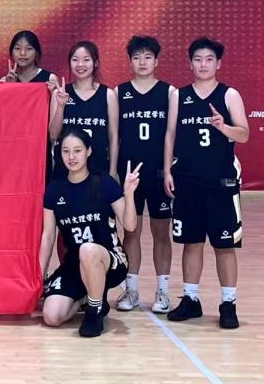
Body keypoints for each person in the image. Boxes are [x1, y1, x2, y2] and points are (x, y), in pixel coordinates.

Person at [164, 37, 250, 330]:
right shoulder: (179, 95)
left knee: (225, 245)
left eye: (209, 59)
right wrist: (167, 171)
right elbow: (170, 135)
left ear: (218, 64)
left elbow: (244, 134)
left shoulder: (230, 95)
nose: (203, 64)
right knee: (192, 242)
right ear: (190, 63)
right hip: (187, 180)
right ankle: (191, 299)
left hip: (220, 182)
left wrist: (224, 127)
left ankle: (228, 303)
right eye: (198, 59)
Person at [39, 129, 140, 337]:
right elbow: (48, 236)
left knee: (88, 250)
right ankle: (87, 296)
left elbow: (130, 226)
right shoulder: (54, 190)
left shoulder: (104, 183)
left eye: (77, 150)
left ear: (88, 151)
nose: (71, 156)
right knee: (52, 316)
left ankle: (95, 310)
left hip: (110, 261)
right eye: (66, 151)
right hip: (76, 263)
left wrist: (129, 194)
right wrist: (39, 276)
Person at [114, 35, 174, 314]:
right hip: (129, 175)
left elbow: (171, 136)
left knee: (161, 233)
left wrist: (169, 170)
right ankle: (132, 290)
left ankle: (163, 292)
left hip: (158, 174)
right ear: (130, 61)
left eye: (147, 57)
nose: (142, 62)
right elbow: (115, 136)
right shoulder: (119, 92)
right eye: (137, 57)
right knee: (131, 232)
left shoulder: (169, 92)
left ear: (156, 61)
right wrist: (115, 172)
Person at [48, 41, 119, 182]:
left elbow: (114, 136)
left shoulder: (108, 95)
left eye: (86, 60)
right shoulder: (60, 93)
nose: (80, 64)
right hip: (65, 172)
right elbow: (53, 136)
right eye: (75, 60)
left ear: (96, 63)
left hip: (98, 171)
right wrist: (61, 105)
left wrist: (112, 171)